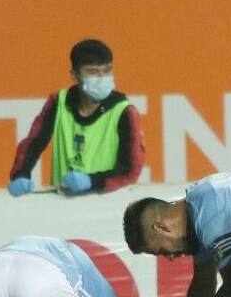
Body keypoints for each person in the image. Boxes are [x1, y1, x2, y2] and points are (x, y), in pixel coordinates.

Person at [8, 39, 144, 196]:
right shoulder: (58, 103)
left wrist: (91, 181)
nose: (102, 78)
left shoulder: (124, 112)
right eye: (93, 72)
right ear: (75, 76)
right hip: (63, 208)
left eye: (107, 71)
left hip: (108, 208)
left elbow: (131, 170)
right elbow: (33, 144)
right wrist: (21, 174)